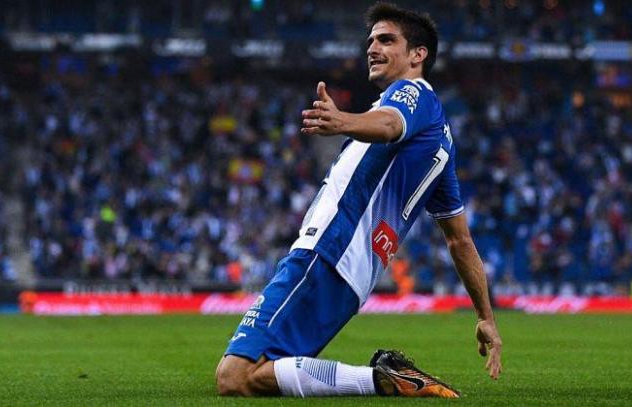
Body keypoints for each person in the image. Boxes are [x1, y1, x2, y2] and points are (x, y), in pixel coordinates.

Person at [215, 2, 502, 398]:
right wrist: (485, 316)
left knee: (234, 376)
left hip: (328, 249)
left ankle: (386, 380)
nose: (372, 47)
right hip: (353, 275)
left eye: (387, 40)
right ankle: (389, 380)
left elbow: (389, 125)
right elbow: (459, 240)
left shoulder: (412, 94)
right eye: (370, 40)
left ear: (418, 55)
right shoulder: (441, 145)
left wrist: (341, 122)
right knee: (257, 375)